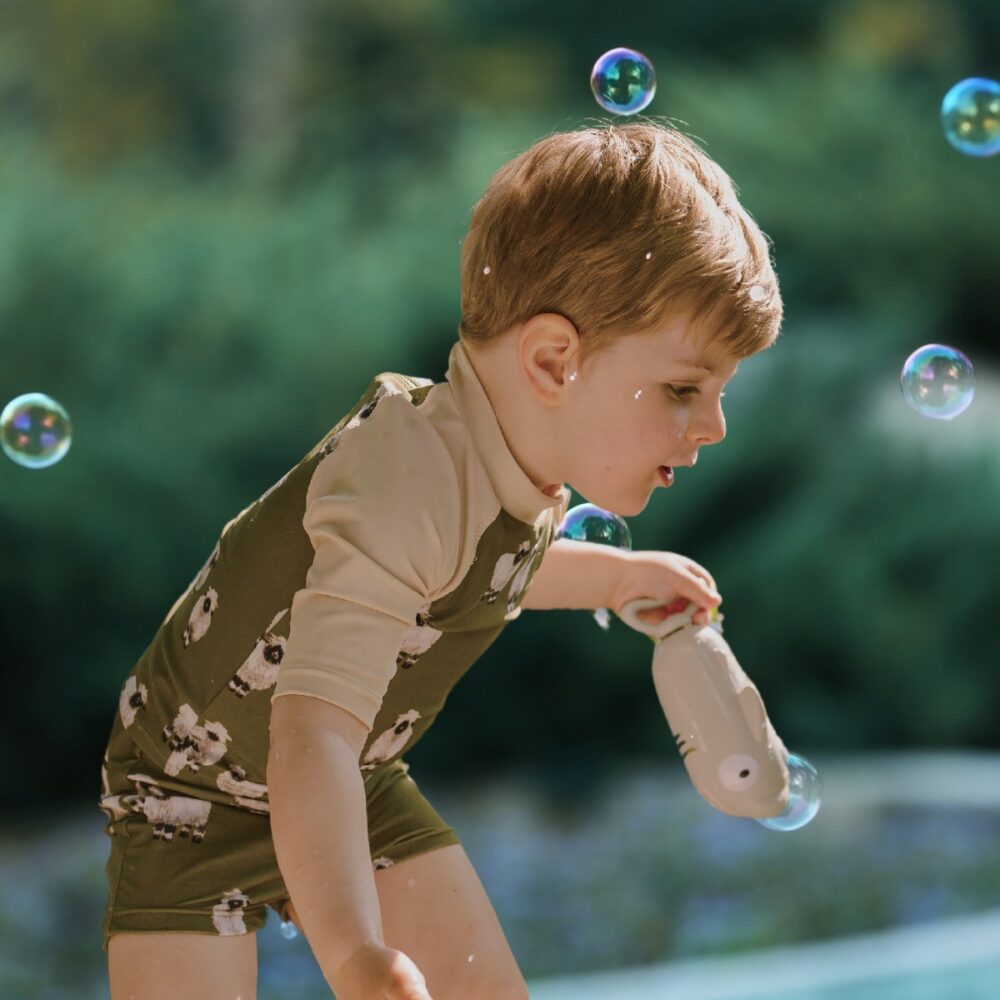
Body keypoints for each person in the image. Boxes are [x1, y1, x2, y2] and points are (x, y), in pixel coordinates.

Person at [99, 120, 783, 1000]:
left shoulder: (507, 464)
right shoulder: (403, 482)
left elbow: (477, 570)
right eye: (687, 388)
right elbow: (310, 734)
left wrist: (612, 577)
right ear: (551, 360)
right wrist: (353, 954)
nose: (714, 425)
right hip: (188, 799)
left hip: (355, 778)